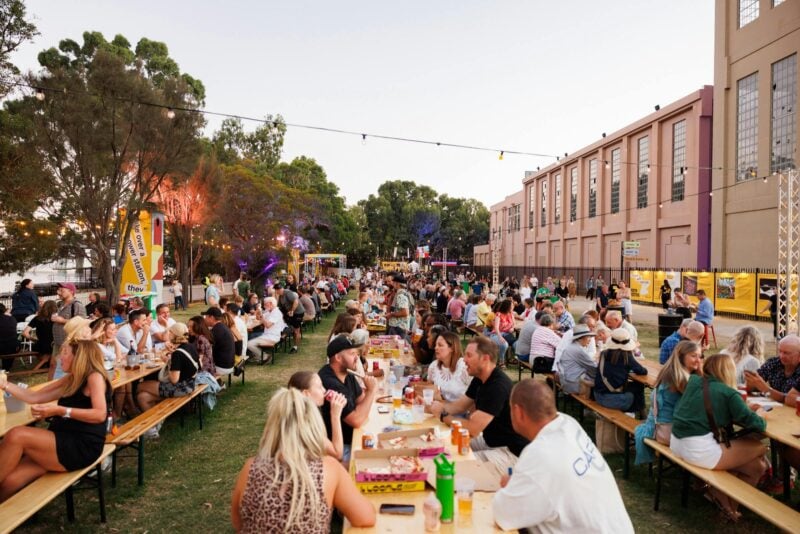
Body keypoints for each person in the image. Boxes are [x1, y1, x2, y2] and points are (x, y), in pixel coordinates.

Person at [492, 379, 634, 533]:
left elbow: (503, 514)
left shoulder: (541, 453)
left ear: (518, 412)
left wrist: (511, 485)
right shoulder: (568, 423)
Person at [230, 388, 376, 532]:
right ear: (314, 426)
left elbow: (238, 523)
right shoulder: (328, 468)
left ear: (272, 426)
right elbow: (365, 518)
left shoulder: (250, 468)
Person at [0, 340, 111, 501]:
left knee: (17, 435)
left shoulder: (94, 377)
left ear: (78, 357)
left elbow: (100, 414)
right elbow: (33, 396)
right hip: (59, 440)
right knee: (9, 482)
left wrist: (60, 410)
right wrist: (3, 384)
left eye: (65, 353)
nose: (59, 357)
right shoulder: (72, 378)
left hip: (80, 446)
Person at [670, 353, 767, 522]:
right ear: (728, 371)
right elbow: (757, 425)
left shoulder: (694, 382)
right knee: (760, 447)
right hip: (699, 450)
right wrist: (760, 413)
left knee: (756, 467)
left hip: (677, 443)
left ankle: (729, 508)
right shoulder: (729, 393)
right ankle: (727, 506)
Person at [429, 336, 528, 456]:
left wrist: (443, 416)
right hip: (490, 441)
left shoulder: (497, 386)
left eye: (469, 355)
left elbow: (473, 428)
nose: (464, 360)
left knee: (455, 459)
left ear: (485, 359)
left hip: (509, 450)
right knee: (442, 447)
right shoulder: (479, 378)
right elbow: (459, 406)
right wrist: (428, 406)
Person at [634, 340, 702, 465]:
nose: (698, 360)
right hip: (667, 432)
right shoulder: (680, 379)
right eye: (693, 356)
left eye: (700, 356)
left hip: (658, 425)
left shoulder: (671, 372)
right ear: (681, 356)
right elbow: (700, 404)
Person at [319, 335, 377, 462]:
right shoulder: (329, 382)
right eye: (352, 354)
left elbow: (362, 402)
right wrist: (371, 391)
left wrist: (366, 399)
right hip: (337, 449)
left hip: (353, 437)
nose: (357, 358)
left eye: (357, 353)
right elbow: (357, 420)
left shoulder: (347, 373)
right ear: (338, 358)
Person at [136, 323, 199, 414]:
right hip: (190, 384)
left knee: (140, 386)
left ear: (175, 335)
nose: (168, 335)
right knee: (142, 397)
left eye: (170, 333)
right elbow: (186, 364)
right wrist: (170, 359)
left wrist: (171, 361)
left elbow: (174, 379)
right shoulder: (190, 346)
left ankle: (131, 410)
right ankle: (157, 423)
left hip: (181, 388)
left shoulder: (177, 354)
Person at [287, 371, 347, 460]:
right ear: (306, 394)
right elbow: (337, 454)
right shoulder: (304, 421)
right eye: (319, 387)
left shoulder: (296, 413)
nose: (324, 390)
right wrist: (335, 416)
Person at [593, 328, 647, 414]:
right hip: (609, 400)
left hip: (597, 395)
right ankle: (637, 413)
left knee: (633, 387)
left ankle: (637, 413)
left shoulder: (604, 353)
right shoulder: (626, 356)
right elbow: (643, 371)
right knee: (638, 387)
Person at [744, 333, 800, 404]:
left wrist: (766, 389)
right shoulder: (774, 363)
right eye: (780, 351)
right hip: (773, 407)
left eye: (786, 353)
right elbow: (755, 385)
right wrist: (751, 383)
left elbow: (789, 398)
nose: (781, 356)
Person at [50, 282, 87, 380]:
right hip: (58, 342)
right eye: (59, 290)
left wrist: (62, 320)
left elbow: (82, 323)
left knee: (63, 367)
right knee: (53, 364)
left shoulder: (77, 305)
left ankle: (60, 388)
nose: (59, 292)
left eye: (62, 290)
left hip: (69, 343)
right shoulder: (60, 304)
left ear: (71, 291)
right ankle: (49, 387)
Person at [427, 331, 471, 402]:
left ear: (452, 348)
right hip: (441, 409)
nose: (436, 348)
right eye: (436, 345)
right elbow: (429, 389)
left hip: (462, 411)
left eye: (440, 345)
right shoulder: (434, 366)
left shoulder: (463, 366)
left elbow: (477, 393)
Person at [556, 325, 597, 395]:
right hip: (573, 385)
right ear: (581, 338)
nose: (590, 339)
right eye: (588, 337)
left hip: (566, 382)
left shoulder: (572, 346)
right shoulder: (578, 350)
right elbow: (593, 368)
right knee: (601, 380)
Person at [22, 300, 58, 365]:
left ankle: (44, 361)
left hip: (41, 345)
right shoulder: (57, 319)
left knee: (35, 347)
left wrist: (34, 340)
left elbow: (25, 333)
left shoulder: (37, 318)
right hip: (54, 345)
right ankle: (46, 361)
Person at [204, 307, 236, 376]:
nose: (205, 319)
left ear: (211, 317)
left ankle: (216, 385)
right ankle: (220, 383)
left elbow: (205, 349)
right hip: (229, 364)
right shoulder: (222, 327)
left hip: (222, 367)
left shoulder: (216, 330)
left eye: (206, 317)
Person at [275, 283, 304, 353]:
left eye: (279, 290)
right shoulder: (280, 296)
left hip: (298, 313)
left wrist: (292, 311)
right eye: (277, 290)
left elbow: (296, 301)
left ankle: (295, 347)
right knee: (288, 327)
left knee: (296, 330)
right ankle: (282, 340)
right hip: (290, 313)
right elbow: (279, 307)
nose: (278, 291)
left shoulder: (288, 293)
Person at [0, 305, 17, 373]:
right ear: (4, 310)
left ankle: (5, 370)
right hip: (13, 347)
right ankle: (6, 369)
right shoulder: (12, 318)